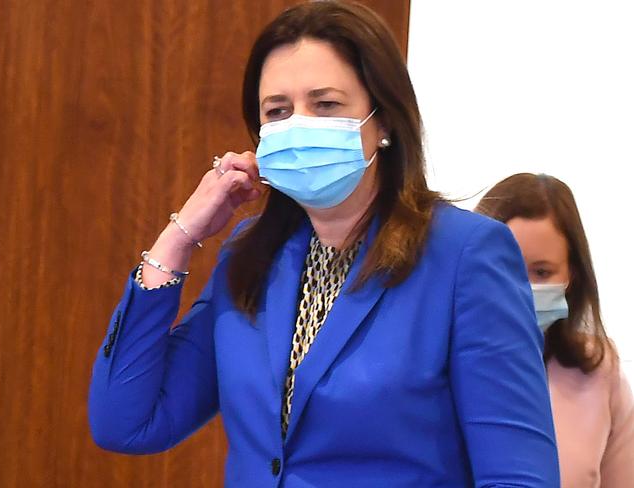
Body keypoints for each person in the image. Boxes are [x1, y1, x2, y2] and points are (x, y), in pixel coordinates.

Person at [88, 2, 560, 486]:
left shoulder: (466, 255)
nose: (299, 125)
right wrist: (178, 238)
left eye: (326, 104)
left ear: (385, 123)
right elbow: (127, 423)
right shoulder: (250, 253)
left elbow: (519, 476)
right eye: (278, 111)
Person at [476, 173, 634, 487]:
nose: (521, 288)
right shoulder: (433, 369)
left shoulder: (598, 369)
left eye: (542, 272)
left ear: (571, 274)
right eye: (506, 268)